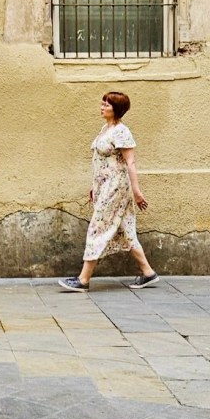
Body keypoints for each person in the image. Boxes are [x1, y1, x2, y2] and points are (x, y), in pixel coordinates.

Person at [58, 91, 159, 292]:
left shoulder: (121, 131)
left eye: (107, 104)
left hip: (116, 187)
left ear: (116, 109)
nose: (102, 106)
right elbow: (102, 161)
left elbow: (130, 162)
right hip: (104, 187)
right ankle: (148, 273)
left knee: (97, 228)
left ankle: (83, 279)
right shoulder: (106, 128)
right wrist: (94, 186)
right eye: (102, 103)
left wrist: (137, 192)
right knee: (125, 229)